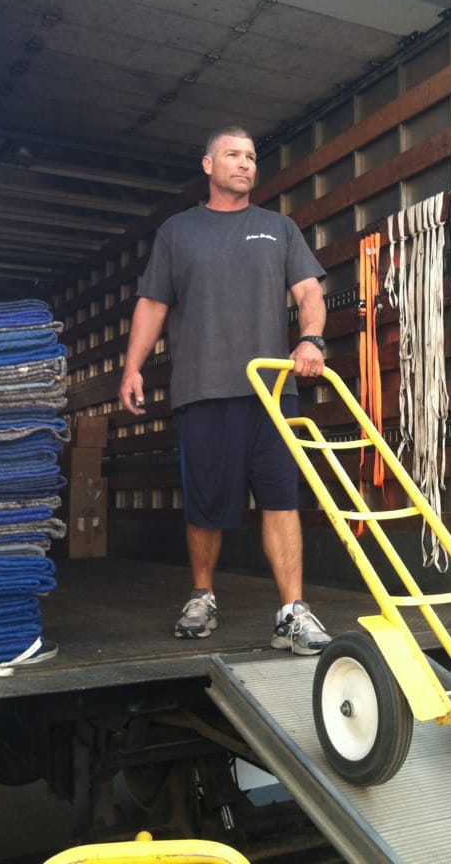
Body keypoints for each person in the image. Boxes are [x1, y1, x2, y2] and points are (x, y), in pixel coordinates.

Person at [119, 126, 331, 655]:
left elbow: (309, 292)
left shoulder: (278, 229)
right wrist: (132, 368)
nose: (245, 164)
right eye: (233, 155)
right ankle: (202, 595)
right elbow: (153, 305)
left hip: (271, 389)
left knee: (281, 498)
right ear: (208, 165)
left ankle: (292, 612)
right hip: (203, 387)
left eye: (252, 157)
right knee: (206, 505)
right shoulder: (178, 232)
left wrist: (311, 340)